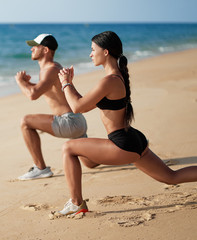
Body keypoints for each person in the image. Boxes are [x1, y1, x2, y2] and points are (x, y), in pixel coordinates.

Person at [55, 31, 197, 216]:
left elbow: (77, 107)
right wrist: (69, 85)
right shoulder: (116, 77)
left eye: (92, 50)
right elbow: (84, 104)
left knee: (68, 148)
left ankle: (76, 203)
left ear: (105, 52)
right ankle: (80, 192)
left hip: (122, 144)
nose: (90, 54)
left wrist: (65, 83)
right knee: (171, 177)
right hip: (133, 139)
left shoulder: (109, 80)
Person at [15, 33, 88, 181]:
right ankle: (119, 155)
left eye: (35, 46)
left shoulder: (50, 69)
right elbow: (44, 90)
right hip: (76, 121)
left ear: (46, 50)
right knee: (91, 162)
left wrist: (20, 81)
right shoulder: (52, 68)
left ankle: (40, 168)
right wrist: (28, 84)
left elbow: (33, 95)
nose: (31, 49)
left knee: (25, 122)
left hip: (69, 121)